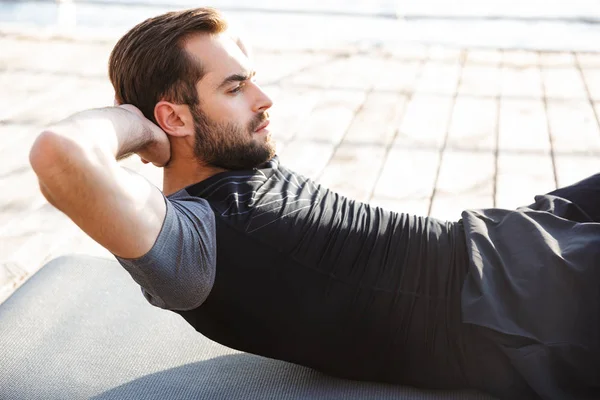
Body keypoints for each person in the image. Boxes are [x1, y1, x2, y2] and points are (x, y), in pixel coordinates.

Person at [29, 7, 599, 400]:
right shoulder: (192, 246)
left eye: (251, 80)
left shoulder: (240, 165)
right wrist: (136, 125)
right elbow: (60, 156)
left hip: (512, 235)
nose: (264, 99)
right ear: (172, 116)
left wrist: (176, 119)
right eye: (234, 88)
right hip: (518, 310)